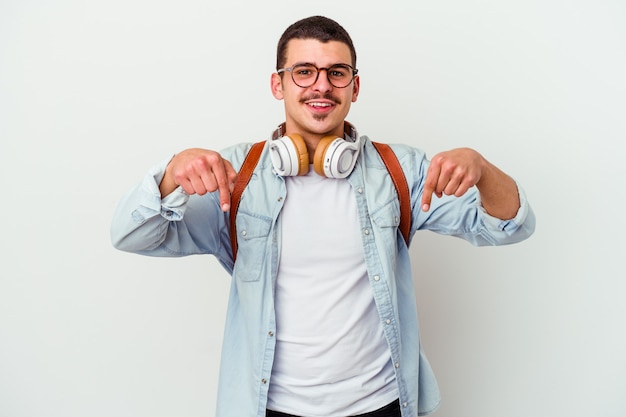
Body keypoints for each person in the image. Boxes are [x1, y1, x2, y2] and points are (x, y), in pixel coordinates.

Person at [111, 15, 535, 417]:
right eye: (304, 71)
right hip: (268, 407)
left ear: (355, 85)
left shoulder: (400, 171)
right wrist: (169, 175)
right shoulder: (233, 176)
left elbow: (508, 226)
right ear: (278, 85)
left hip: (381, 403)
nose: (322, 86)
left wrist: (481, 168)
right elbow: (132, 235)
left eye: (336, 72)